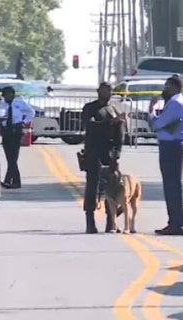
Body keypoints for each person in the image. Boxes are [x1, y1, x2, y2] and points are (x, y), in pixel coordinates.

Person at [81, 82, 125, 234]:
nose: (108, 93)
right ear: (98, 91)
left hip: (109, 153)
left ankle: (111, 221)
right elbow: (90, 126)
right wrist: (110, 122)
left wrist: (117, 153)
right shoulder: (90, 108)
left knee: (113, 188)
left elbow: (120, 134)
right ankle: (90, 221)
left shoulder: (113, 109)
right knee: (92, 187)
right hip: (93, 151)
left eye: (110, 91)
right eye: (105, 90)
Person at [148, 77, 183, 235]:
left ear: (174, 87)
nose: (164, 90)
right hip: (170, 146)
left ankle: (177, 224)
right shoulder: (174, 102)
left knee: (172, 186)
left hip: (172, 147)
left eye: (167, 86)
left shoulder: (176, 103)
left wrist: (151, 110)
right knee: (171, 186)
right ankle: (174, 222)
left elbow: (158, 124)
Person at [0, 86, 35, 189]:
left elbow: (31, 112)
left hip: (16, 130)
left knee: (13, 157)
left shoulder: (19, 103)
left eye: (10, 94)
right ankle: (8, 180)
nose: (8, 96)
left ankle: (16, 182)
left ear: (13, 95)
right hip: (6, 131)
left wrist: (24, 123)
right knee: (9, 157)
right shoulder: (2, 104)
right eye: (6, 94)